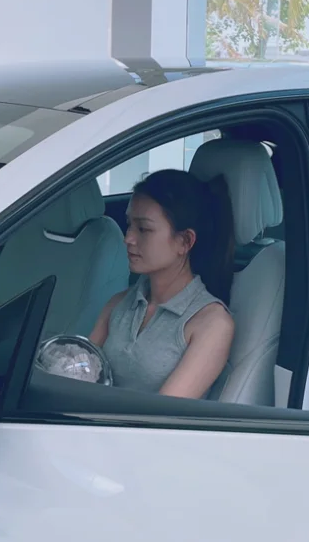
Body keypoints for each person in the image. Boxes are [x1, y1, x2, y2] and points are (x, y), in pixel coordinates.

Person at [91, 168, 236, 398]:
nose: (128, 238)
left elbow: (163, 413)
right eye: (129, 225)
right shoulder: (118, 304)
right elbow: (79, 373)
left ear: (185, 241)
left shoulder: (212, 324)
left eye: (144, 229)